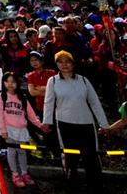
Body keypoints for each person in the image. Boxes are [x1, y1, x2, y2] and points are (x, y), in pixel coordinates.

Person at [43, 50, 109, 189]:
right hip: (65, 124)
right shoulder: (53, 81)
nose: (64, 65)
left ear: (73, 63)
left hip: (86, 124)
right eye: (60, 62)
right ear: (56, 64)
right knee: (69, 159)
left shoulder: (83, 80)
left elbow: (95, 103)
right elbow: (48, 103)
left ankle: (95, 186)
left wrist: (104, 124)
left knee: (91, 158)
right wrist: (46, 122)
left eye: (67, 61)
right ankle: (71, 186)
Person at [0, 72, 49, 187]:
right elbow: (0, 115)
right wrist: (3, 130)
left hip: (21, 129)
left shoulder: (22, 97)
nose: (10, 84)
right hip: (9, 129)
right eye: (7, 81)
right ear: (3, 83)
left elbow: (31, 114)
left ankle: (24, 173)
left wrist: (40, 125)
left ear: (17, 83)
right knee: (12, 151)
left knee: (22, 152)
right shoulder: (2, 97)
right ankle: (15, 174)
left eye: (13, 82)